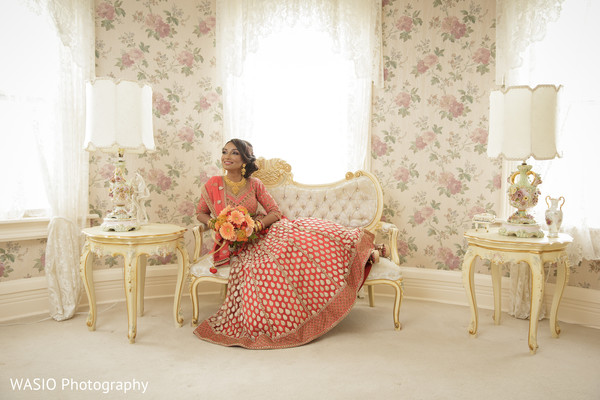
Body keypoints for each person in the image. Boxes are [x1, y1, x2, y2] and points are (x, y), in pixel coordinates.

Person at [194, 138, 381, 349]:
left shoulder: (255, 184)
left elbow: (275, 212)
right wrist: (216, 223)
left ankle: (364, 251)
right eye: (224, 152)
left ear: (245, 160)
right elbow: (200, 212)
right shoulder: (212, 185)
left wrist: (254, 226)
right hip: (235, 245)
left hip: (261, 234)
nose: (227, 157)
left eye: (234, 153)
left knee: (304, 237)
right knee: (264, 266)